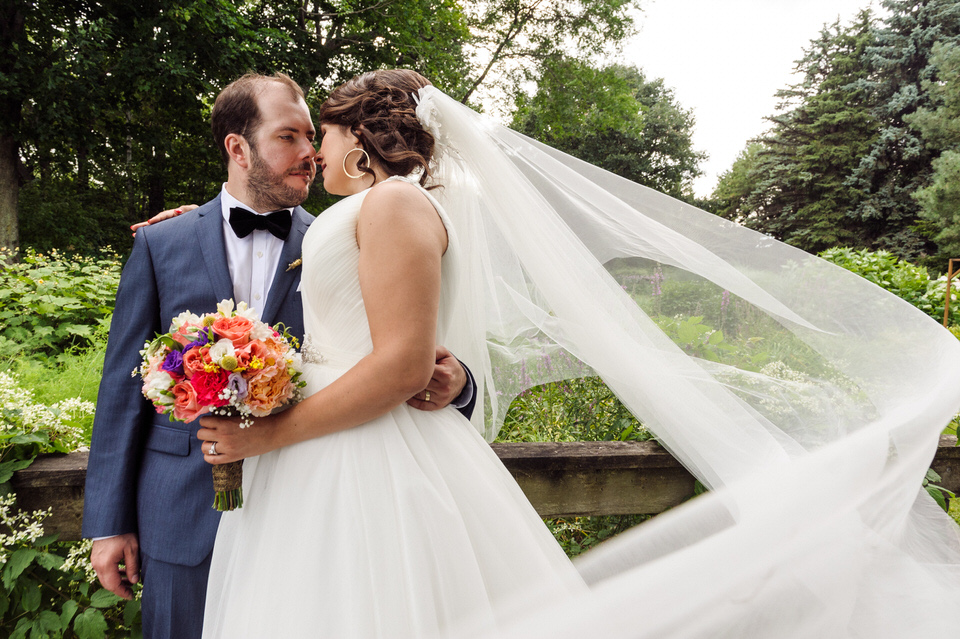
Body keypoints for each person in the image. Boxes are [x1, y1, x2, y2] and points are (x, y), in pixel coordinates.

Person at [201, 68, 960, 639]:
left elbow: (401, 365)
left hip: (364, 458)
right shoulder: (372, 208)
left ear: (359, 137)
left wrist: (266, 432)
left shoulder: (394, 201)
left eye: (320, 134)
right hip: (331, 453)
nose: (314, 153)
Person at [82, 72, 477, 639]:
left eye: (314, 136)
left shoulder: (343, 239)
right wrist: (108, 523)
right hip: (180, 519)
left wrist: (458, 381)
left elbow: (401, 353)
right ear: (237, 147)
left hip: (308, 517)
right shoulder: (160, 243)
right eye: (288, 137)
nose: (311, 153)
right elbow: (122, 389)